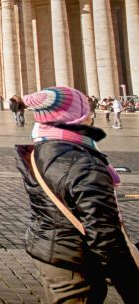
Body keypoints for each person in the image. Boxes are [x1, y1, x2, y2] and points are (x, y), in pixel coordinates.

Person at [16, 86, 139, 302]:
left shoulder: (42, 149)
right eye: (87, 111)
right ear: (75, 116)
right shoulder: (83, 163)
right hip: (75, 262)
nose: (91, 116)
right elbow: (104, 233)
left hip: (50, 253)